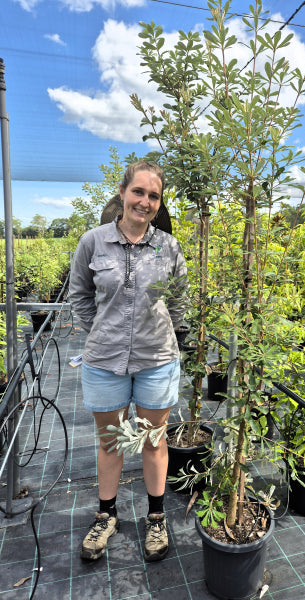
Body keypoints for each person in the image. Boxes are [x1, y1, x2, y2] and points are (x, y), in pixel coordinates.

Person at [69, 161, 188, 562]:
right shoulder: (93, 242)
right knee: (111, 441)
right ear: (122, 193)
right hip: (104, 361)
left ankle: (156, 518)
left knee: (154, 439)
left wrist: (179, 337)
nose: (145, 201)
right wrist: (100, 332)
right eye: (139, 192)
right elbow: (80, 296)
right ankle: (107, 515)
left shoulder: (169, 247)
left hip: (157, 359)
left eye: (153, 196)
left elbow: (180, 301)